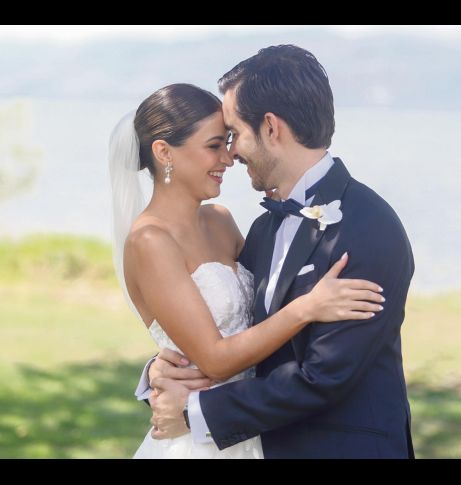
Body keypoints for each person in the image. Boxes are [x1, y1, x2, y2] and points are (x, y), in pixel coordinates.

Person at [145, 44, 416, 458]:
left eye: (234, 133)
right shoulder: (264, 228)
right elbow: (237, 334)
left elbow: (323, 378)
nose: (230, 153)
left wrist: (194, 412)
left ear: (271, 128)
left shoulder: (367, 227)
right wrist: (160, 373)